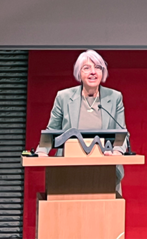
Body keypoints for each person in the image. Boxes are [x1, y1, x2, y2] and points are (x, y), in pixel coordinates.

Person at [36, 50, 129, 191]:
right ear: (79, 73)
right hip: (67, 171)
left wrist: (117, 152)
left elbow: (122, 133)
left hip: (105, 172)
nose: (93, 72)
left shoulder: (115, 97)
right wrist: (42, 152)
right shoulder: (64, 97)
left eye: (98, 68)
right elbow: (52, 131)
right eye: (87, 68)